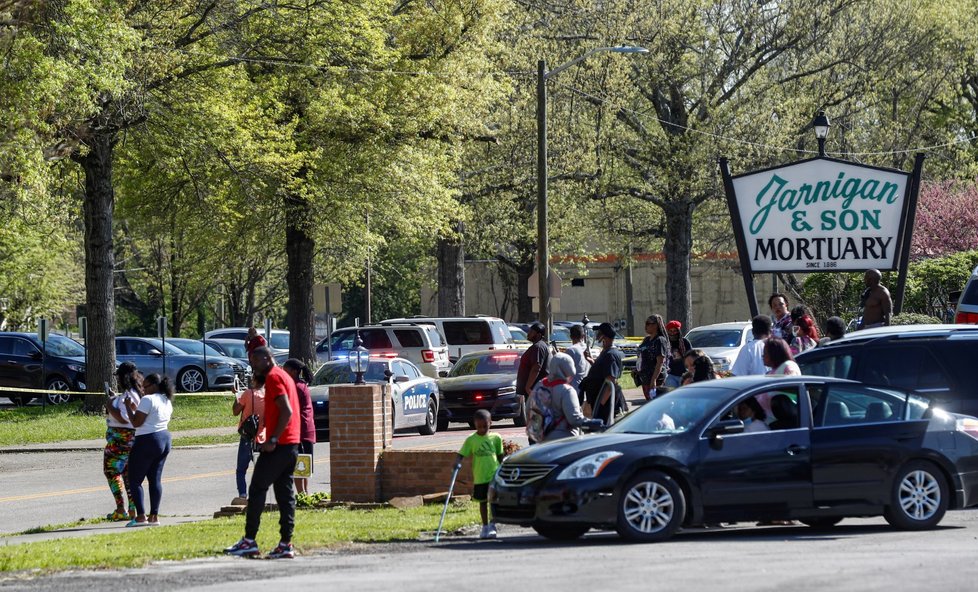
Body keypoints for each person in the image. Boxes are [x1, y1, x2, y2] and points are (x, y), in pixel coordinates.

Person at [224, 346, 301, 559]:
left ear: (267, 359)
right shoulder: (282, 376)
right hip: (291, 444)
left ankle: (249, 541)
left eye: (256, 362)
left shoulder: (275, 378)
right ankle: (286, 543)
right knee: (285, 496)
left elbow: (286, 410)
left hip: (279, 444)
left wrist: (273, 438)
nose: (254, 367)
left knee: (257, 488)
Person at [123, 373, 173, 527]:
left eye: (145, 387)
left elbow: (136, 423)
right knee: (154, 479)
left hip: (147, 440)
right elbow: (150, 416)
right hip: (164, 439)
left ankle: (140, 517)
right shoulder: (166, 400)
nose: (143, 390)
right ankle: (154, 516)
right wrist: (135, 409)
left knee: (134, 480)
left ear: (153, 385)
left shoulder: (147, 399)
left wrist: (127, 406)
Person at [456, 409, 504, 539]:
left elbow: (500, 455)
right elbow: (461, 454)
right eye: (479, 426)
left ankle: (493, 525)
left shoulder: (496, 438)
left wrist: (504, 468)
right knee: (482, 502)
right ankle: (485, 526)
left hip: (494, 475)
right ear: (475, 424)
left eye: (485, 426)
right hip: (480, 476)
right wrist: (457, 463)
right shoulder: (471, 440)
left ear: (490, 423)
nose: (482, 429)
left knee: (493, 501)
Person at [103, 362, 142, 521]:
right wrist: (114, 398)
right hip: (131, 439)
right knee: (127, 473)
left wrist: (109, 404)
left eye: (118, 376)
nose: (117, 379)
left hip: (120, 439)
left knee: (111, 471)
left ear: (123, 377)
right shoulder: (135, 393)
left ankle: (121, 508)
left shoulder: (128, 395)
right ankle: (133, 508)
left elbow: (123, 418)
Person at [533, 353, 602, 442]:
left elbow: (529, 407)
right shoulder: (567, 390)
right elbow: (574, 419)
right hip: (564, 440)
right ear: (569, 368)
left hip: (541, 438)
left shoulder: (540, 385)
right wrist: (594, 423)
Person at [282, 358, 315, 495]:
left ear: (294, 372)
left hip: (298, 430)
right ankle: (305, 493)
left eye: (286, 371)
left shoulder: (293, 386)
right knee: (305, 463)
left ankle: (301, 494)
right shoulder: (303, 385)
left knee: (296, 465)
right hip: (308, 430)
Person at [231, 375, 266, 504]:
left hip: (247, 436)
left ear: (255, 381)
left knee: (241, 469)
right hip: (262, 437)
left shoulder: (247, 394)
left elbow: (235, 411)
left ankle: (242, 495)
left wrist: (236, 397)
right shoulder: (267, 395)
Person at [582, 322, 626, 424]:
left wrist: (599, 406)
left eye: (599, 333)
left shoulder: (610, 355)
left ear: (604, 337)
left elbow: (611, 382)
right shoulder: (605, 352)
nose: (597, 335)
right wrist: (590, 360)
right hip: (598, 401)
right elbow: (601, 372)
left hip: (606, 405)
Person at [516, 321, 550, 420]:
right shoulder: (539, 346)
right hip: (535, 390)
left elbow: (536, 367)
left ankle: (535, 436)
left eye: (531, 332)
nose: (528, 334)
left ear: (538, 335)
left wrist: (528, 387)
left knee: (536, 420)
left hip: (535, 390)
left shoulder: (538, 347)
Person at [636, 315, 669, 400]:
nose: (645, 326)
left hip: (656, 379)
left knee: (656, 404)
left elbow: (660, 362)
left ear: (656, 325)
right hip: (645, 378)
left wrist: (654, 380)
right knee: (649, 404)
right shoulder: (646, 340)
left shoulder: (660, 340)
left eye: (648, 324)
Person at [564, 324, 592, 398]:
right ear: (583, 336)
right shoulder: (587, 348)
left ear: (570, 337)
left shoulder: (571, 350)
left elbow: (564, 369)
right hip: (586, 389)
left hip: (574, 390)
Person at [664, 320, 691, 389]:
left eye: (675, 331)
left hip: (684, 374)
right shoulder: (665, 343)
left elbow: (691, 356)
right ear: (667, 332)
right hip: (670, 374)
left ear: (678, 331)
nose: (672, 333)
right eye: (670, 331)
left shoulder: (685, 342)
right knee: (671, 394)